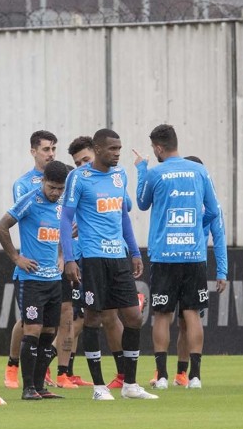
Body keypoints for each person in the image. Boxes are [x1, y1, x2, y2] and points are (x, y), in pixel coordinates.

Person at [61, 128, 157, 400]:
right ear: (98, 149)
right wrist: (69, 258)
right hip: (92, 257)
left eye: (119, 149)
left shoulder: (119, 175)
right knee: (93, 318)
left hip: (119, 257)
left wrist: (135, 251)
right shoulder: (78, 178)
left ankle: (130, 384)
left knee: (134, 317)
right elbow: (66, 220)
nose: (117, 154)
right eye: (112, 149)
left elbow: (123, 216)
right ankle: (99, 387)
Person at [134, 126, 227, 390]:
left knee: (162, 316)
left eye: (154, 149)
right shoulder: (199, 171)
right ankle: (194, 377)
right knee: (192, 314)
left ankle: (162, 376)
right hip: (193, 254)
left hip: (165, 255)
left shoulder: (156, 173)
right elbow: (214, 210)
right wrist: (198, 225)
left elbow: (142, 202)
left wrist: (141, 169)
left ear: (159, 148)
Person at [0, 160, 71, 400]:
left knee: (49, 332)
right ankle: (27, 388)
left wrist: (61, 254)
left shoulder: (61, 204)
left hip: (54, 278)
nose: (55, 192)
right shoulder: (30, 199)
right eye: (51, 187)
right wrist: (16, 258)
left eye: (60, 188)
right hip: (31, 279)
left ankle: (40, 387)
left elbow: (60, 231)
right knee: (33, 329)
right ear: (43, 182)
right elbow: (1, 227)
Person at [53, 136, 124, 389]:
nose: (82, 164)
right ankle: (59, 369)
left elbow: (122, 211)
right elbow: (63, 222)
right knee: (78, 317)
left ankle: (122, 375)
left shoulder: (112, 178)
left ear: (96, 152)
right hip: (82, 261)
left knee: (106, 316)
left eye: (85, 159)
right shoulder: (77, 184)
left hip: (108, 256)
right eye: (77, 161)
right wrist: (65, 255)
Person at [4, 130, 57, 389]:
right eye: (45, 149)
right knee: (27, 323)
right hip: (31, 267)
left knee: (52, 326)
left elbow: (66, 222)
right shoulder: (25, 185)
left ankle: (41, 377)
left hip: (54, 269)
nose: (50, 153)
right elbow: (27, 219)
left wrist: (62, 254)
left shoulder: (61, 180)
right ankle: (14, 366)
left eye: (53, 149)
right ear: (33, 151)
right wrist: (17, 257)